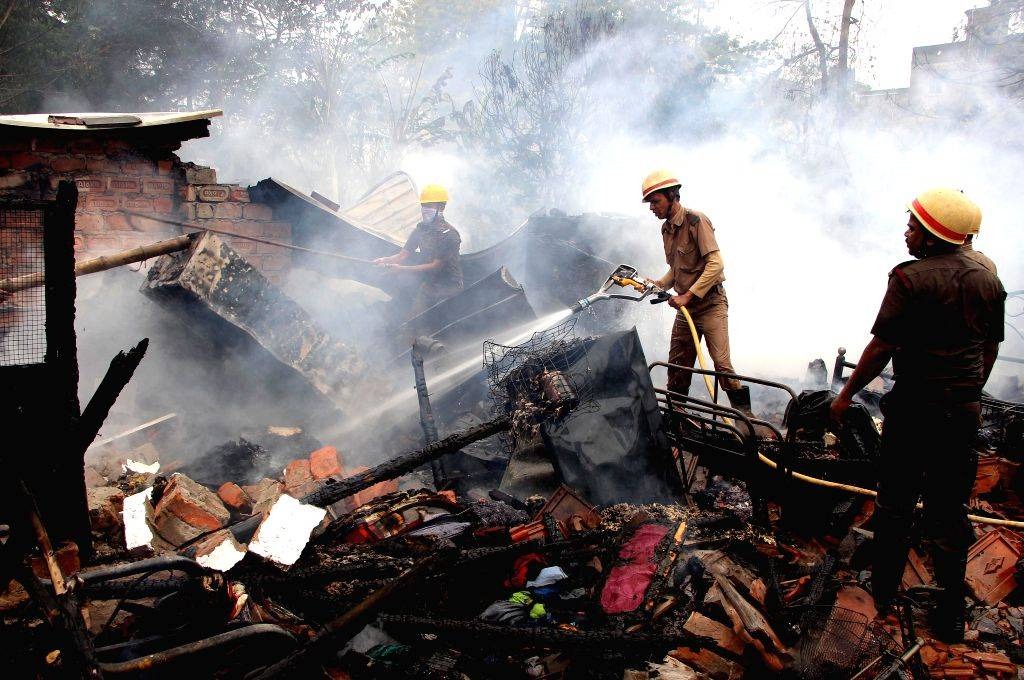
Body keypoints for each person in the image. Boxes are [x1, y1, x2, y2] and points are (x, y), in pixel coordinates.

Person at [830, 188, 1005, 642]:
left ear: (931, 236)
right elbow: (990, 347)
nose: (906, 233)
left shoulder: (909, 278)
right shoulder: (988, 276)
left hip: (914, 408)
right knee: (950, 509)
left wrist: (847, 394)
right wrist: (969, 390)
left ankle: (884, 592)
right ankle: (949, 614)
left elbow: (882, 347)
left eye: (913, 227)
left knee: (896, 503)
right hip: (962, 411)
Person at [641, 169, 751, 412]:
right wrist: (658, 284)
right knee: (678, 365)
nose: (652, 208)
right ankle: (677, 417)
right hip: (687, 309)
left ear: (672, 197)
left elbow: (716, 264)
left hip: (711, 305)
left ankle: (746, 420)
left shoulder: (696, 221)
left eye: (655, 201)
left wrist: (687, 295)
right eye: (649, 203)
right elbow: (677, 269)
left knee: (722, 365)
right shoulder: (666, 230)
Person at [374, 184, 464, 319]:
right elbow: (402, 255)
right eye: (423, 205)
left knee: (415, 317)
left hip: (448, 285)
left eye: (429, 205)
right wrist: (384, 260)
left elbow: (435, 265)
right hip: (429, 280)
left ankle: (410, 331)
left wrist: (402, 269)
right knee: (402, 288)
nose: (424, 210)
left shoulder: (450, 235)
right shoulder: (421, 230)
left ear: (442, 207)